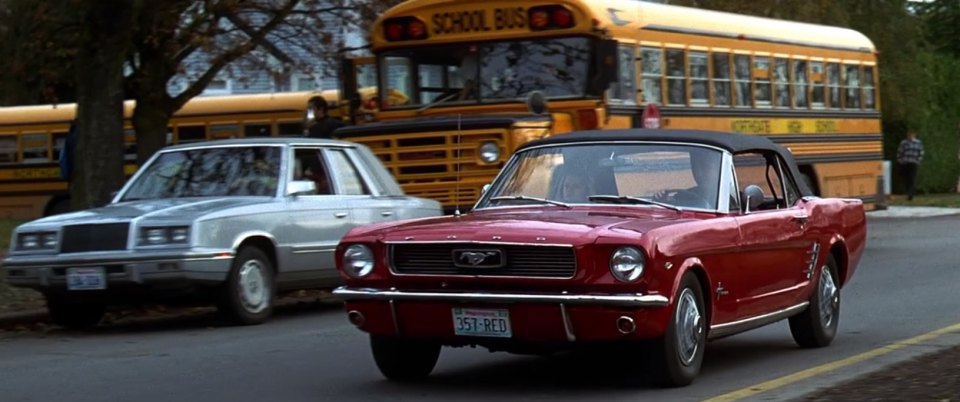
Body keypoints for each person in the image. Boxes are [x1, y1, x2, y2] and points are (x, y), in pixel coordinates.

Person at [896, 129, 924, 201]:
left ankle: (910, 194)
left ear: (914, 135)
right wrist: (900, 160)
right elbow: (900, 151)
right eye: (909, 135)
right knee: (906, 178)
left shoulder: (918, 143)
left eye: (911, 135)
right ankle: (908, 192)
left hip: (913, 162)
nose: (910, 136)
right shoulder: (904, 143)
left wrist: (918, 160)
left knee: (912, 178)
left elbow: (921, 152)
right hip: (905, 162)